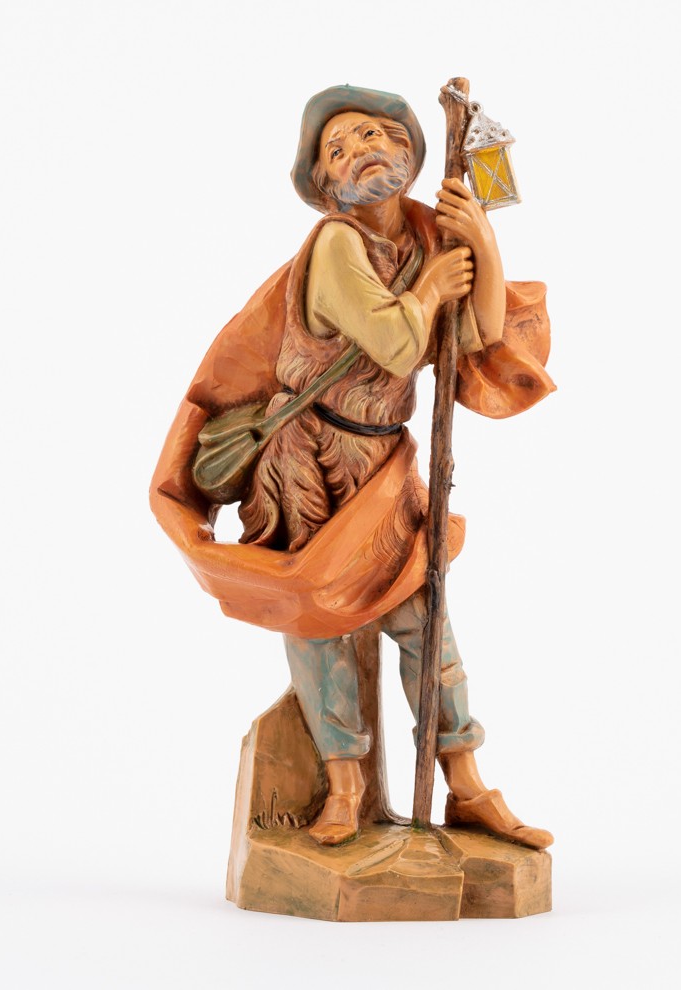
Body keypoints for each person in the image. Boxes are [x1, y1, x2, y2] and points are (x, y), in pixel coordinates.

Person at [150, 86, 556, 849]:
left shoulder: (426, 237)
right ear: (325, 186)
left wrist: (481, 241)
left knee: (423, 615)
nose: (359, 150)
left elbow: (475, 337)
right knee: (315, 620)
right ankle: (343, 786)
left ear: (407, 151)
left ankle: (466, 783)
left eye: (373, 133)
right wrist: (433, 286)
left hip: (381, 461)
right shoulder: (336, 245)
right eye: (336, 149)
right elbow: (397, 344)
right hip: (309, 461)